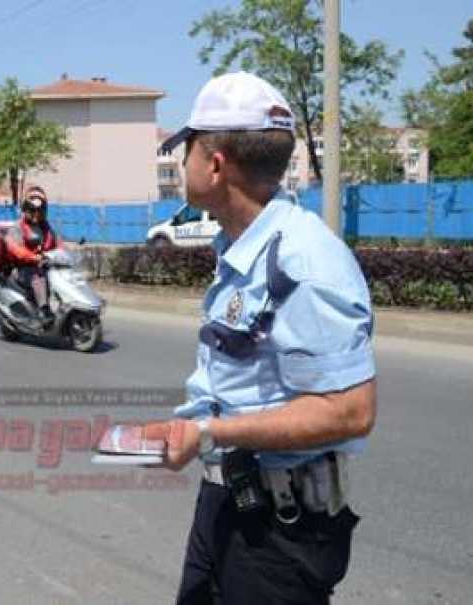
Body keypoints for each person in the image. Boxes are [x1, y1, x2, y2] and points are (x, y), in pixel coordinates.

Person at [147, 72, 377, 604]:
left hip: (278, 535)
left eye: (186, 148)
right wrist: (188, 430)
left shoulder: (304, 261)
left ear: (214, 164)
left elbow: (349, 411)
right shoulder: (242, 247)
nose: (181, 163)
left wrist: (208, 433)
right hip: (229, 500)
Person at [5, 185, 63, 323]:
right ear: (25, 209)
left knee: (59, 275)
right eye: (33, 209)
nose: (37, 213)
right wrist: (33, 257)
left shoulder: (45, 227)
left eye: (40, 210)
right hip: (22, 269)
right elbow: (15, 249)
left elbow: (57, 242)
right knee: (38, 276)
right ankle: (44, 310)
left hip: (41, 264)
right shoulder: (18, 227)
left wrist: (64, 253)